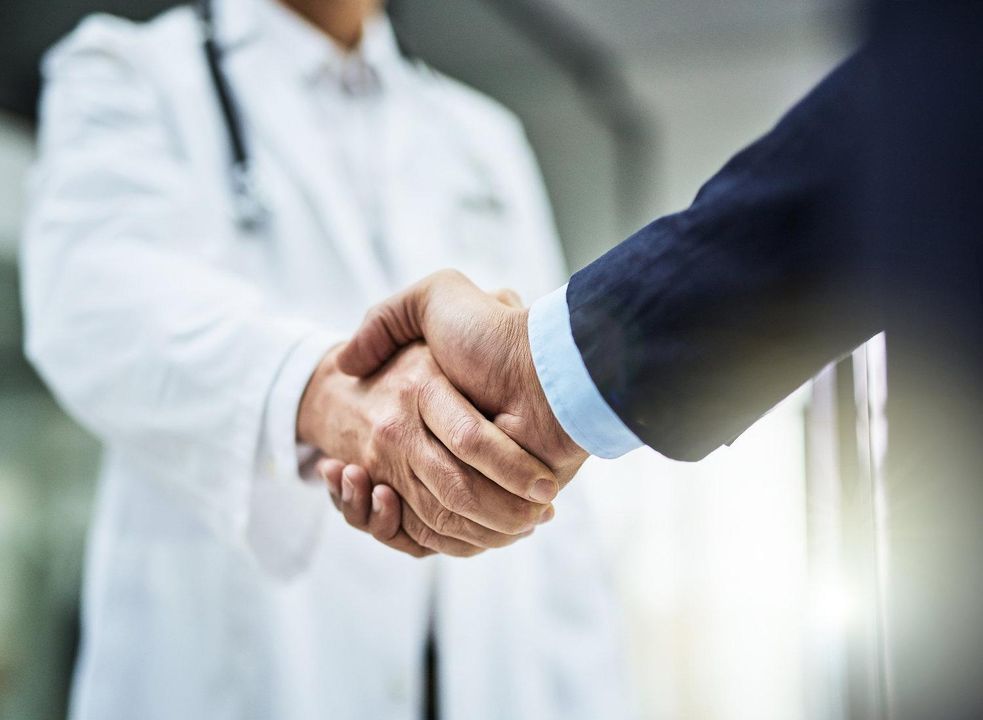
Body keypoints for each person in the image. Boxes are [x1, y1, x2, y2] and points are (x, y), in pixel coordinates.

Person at [329, 1, 983, 718]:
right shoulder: (182, 91)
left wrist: (542, 373)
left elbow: (919, 116)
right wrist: (536, 377)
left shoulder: (482, 138)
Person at [20, 0, 630, 718]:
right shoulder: (129, 73)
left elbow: (560, 499)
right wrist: (334, 400)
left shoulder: (481, 139)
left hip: (480, 676)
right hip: (233, 676)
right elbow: (95, 301)